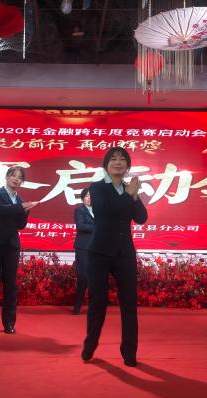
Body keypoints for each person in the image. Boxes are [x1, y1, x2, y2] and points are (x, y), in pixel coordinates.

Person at [81, 146, 148, 367]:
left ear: (127, 165)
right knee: (98, 302)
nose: (118, 162)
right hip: (99, 252)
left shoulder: (129, 189)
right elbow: (105, 211)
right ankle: (90, 344)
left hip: (124, 253)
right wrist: (128, 195)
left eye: (122, 159)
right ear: (106, 165)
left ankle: (129, 352)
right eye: (113, 159)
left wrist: (134, 196)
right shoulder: (97, 187)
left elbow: (141, 218)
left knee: (129, 303)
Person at [0, 166, 38, 335]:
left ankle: (9, 323)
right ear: (7, 177)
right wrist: (22, 207)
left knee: (10, 285)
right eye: (13, 175)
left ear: (22, 182)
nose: (16, 179)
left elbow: (20, 225)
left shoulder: (20, 200)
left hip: (11, 245)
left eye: (19, 177)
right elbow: (0, 210)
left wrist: (26, 211)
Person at [72, 187, 94, 315]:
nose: (89, 198)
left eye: (92, 195)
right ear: (82, 198)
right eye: (87, 195)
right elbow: (81, 226)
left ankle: (94, 307)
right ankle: (78, 305)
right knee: (83, 276)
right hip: (83, 247)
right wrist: (98, 226)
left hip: (97, 248)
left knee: (96, 278)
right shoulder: (79, 210)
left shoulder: (99, 211)